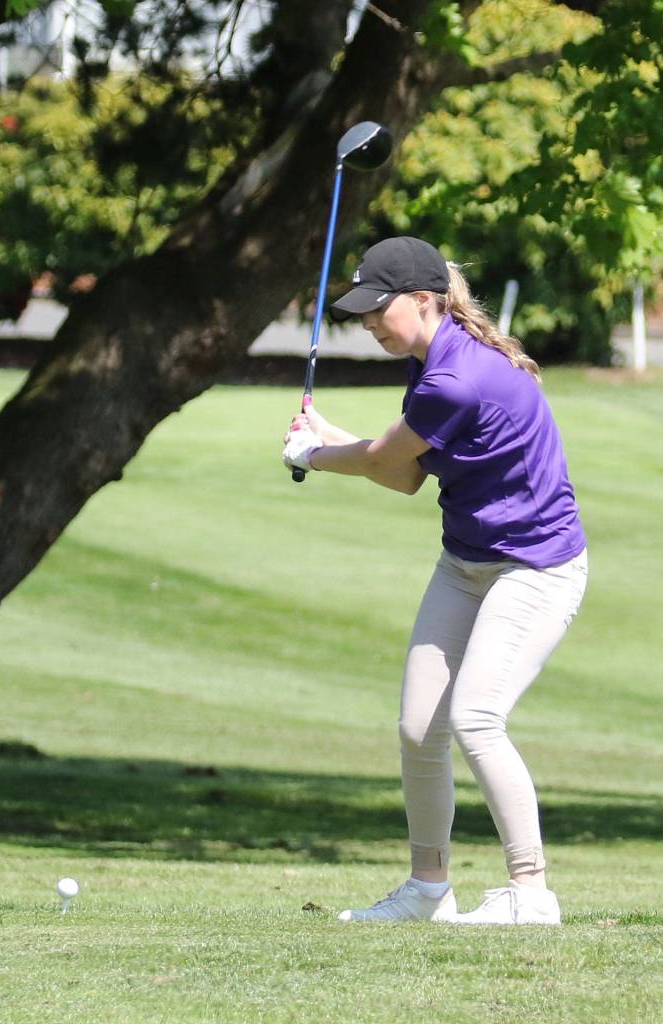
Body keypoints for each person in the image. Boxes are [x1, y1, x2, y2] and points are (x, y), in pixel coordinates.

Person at [282, 236, 588, 926]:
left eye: (374, 310)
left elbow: (385, 459)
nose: (364, 323)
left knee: (475, 718)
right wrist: (329, 440)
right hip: (467, 562)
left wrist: (314, 452)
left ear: (423, 301)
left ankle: (531, 894)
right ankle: (427, 889)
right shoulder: (430, 367)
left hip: (536, 567)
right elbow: (405, 476)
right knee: (420, 728)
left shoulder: (455, 376)